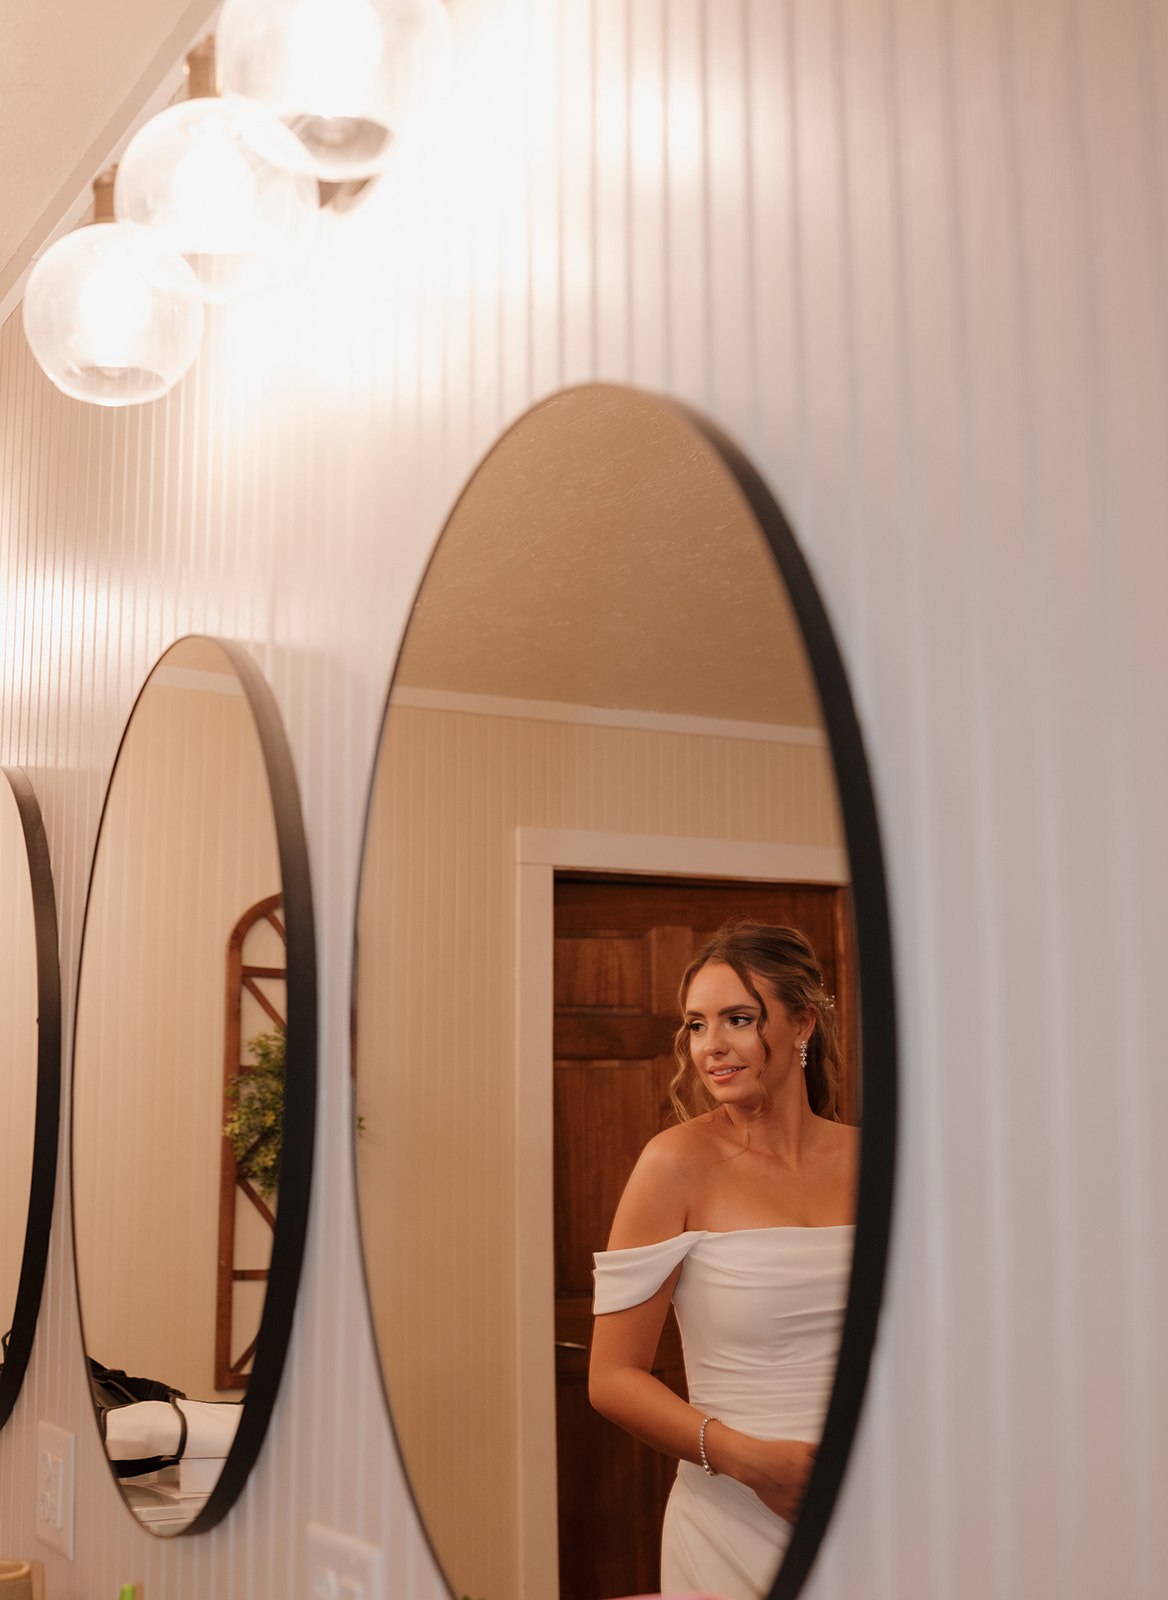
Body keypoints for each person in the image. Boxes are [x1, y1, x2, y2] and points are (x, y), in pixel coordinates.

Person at [588, 922, 857, 1600]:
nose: (712, 1048)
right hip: (734, 1520)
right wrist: (752, 1462)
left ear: (801, 1024)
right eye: (697, 1026)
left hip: (876, 1504)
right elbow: (612, 1377)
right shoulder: (674, 1164)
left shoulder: (872, 1162)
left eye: (737, 1019)